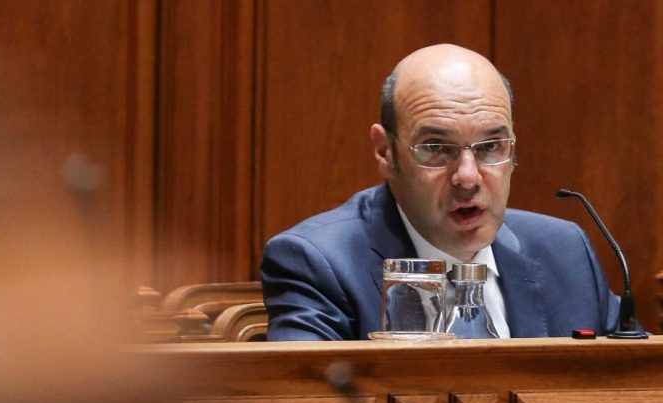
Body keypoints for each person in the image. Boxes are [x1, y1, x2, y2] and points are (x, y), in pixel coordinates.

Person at [260, 44, 620, 341]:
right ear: (385, 152)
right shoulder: (320, 263)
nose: (468, 177)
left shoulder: (567, 253)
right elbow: (308, 401)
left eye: (491, 146)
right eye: (435, 147)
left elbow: (628, 389)